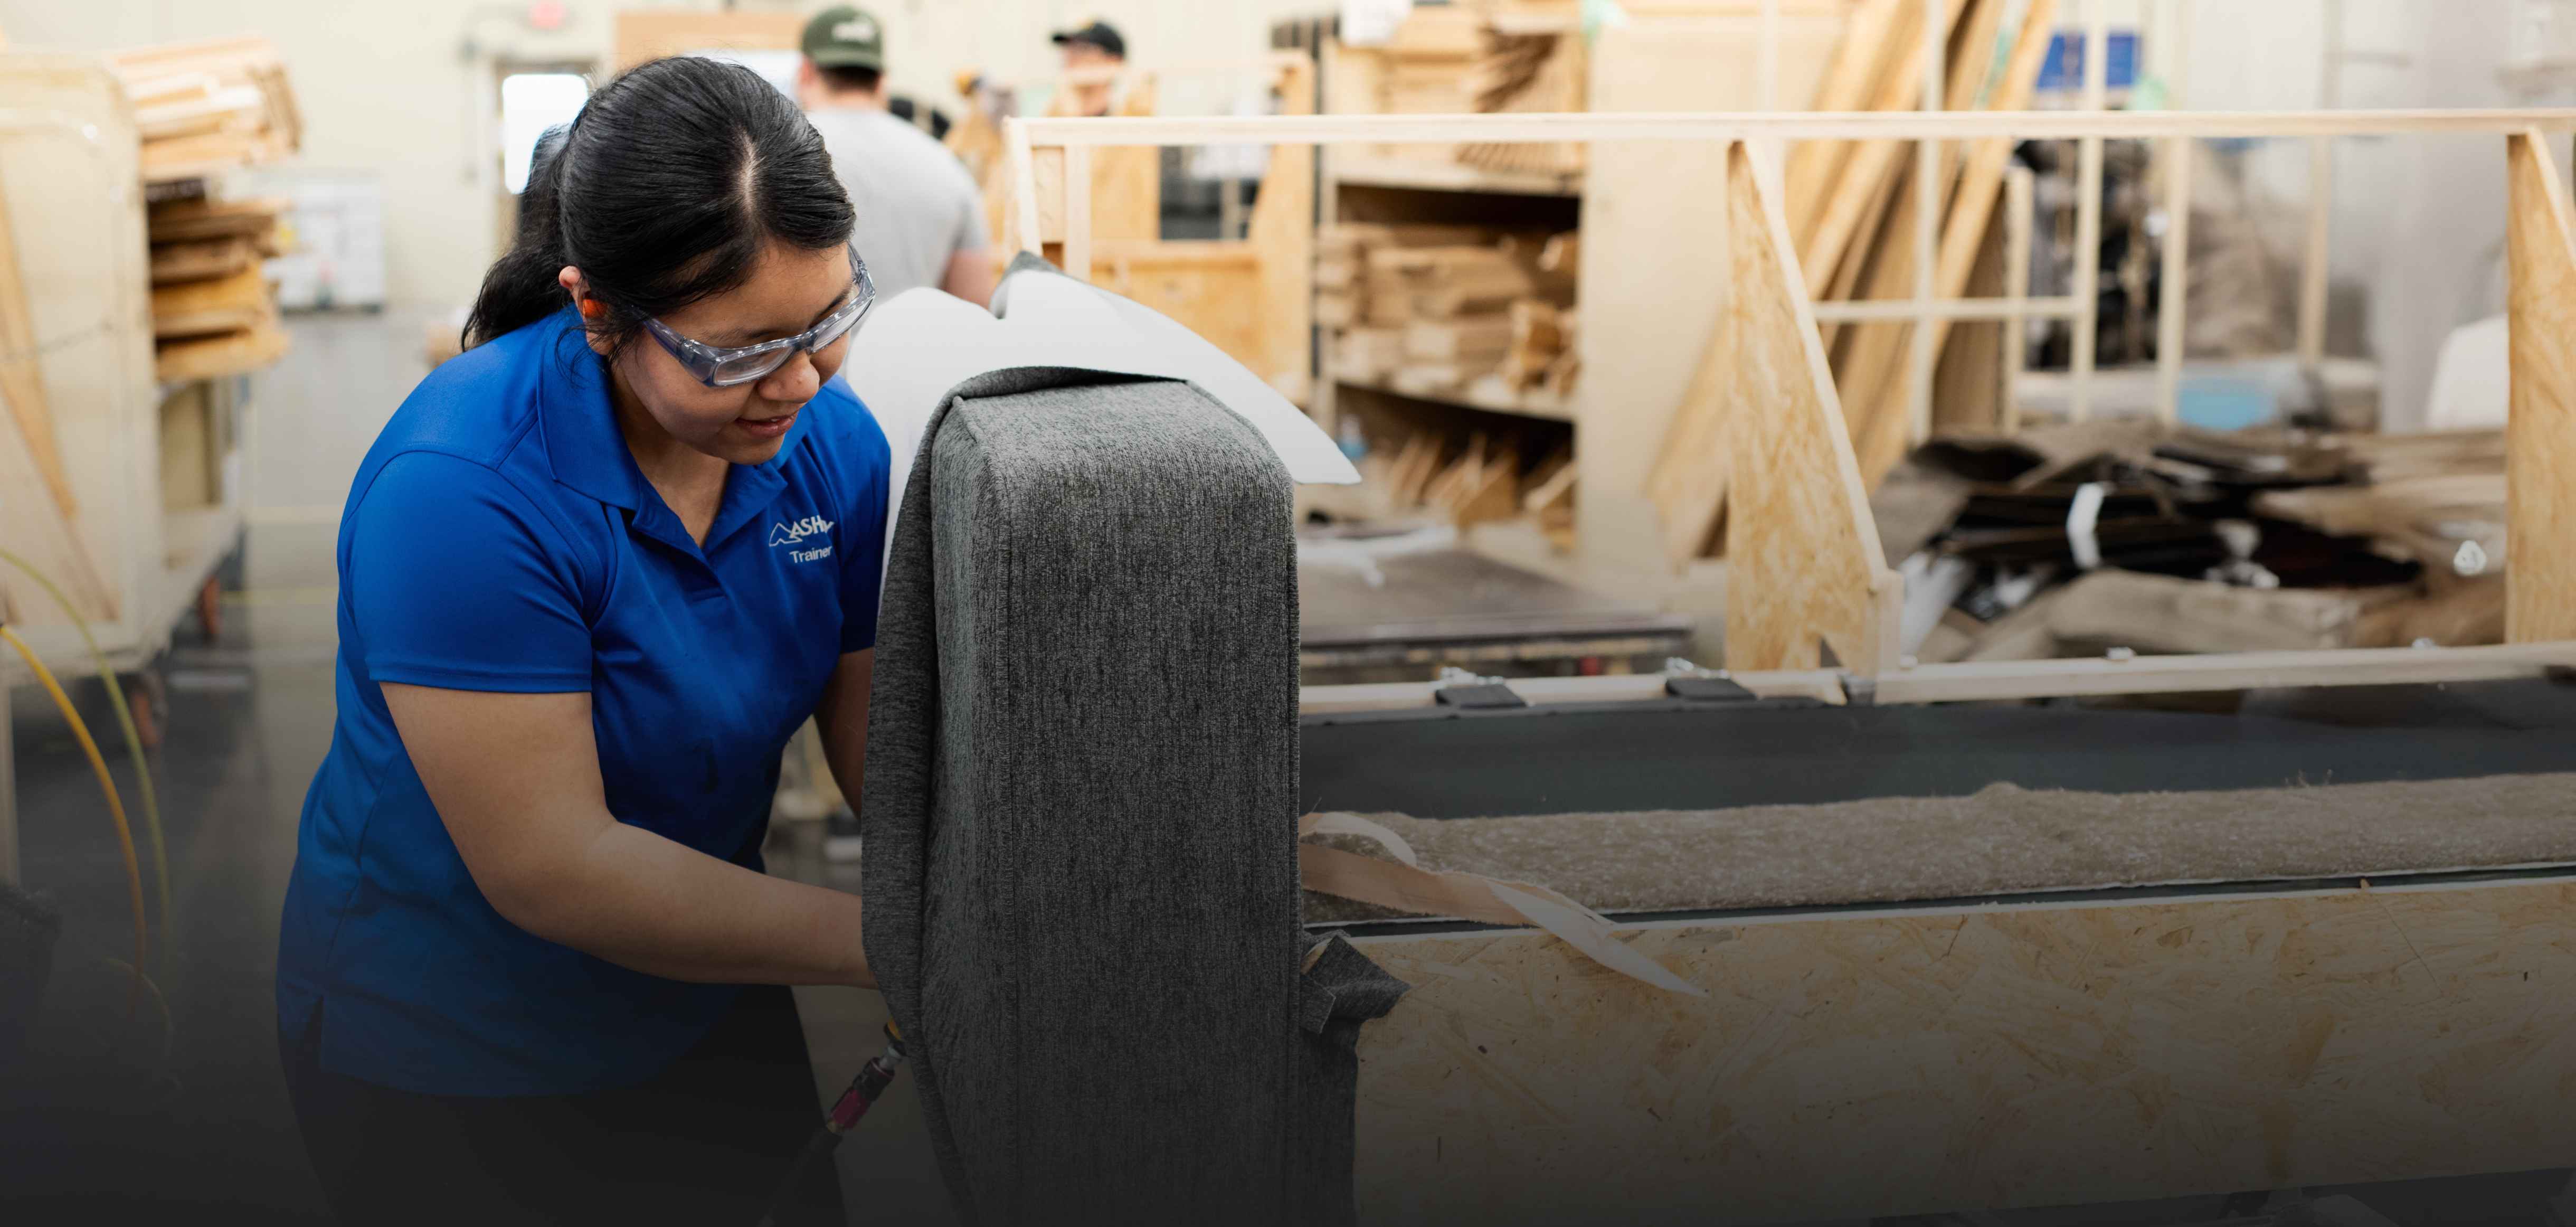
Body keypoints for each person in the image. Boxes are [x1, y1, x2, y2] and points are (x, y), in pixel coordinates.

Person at [273, 55, 889, 1226]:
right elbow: (556, 865)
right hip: (458, 1040)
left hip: (703, 977)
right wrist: (905, 939)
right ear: (598, 311)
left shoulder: (831, 444)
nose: (803, 380)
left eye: (829, 320)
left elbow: (879, 752)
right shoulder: (463, 488)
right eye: (743, 350)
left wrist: (1004, 878)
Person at [797, 6, 994, 306]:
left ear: (806, 72)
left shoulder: (771, 156)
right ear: (881, 80)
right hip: (916, 338)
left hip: (816, 340)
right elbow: (974, 304)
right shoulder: (946, 165)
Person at [1053, 18, 1126, 118]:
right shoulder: (1054, 117)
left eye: (1083, 49)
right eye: (1068, 49)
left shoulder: (1131, 117)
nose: (1070, 58)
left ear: (1114, 62)